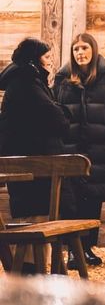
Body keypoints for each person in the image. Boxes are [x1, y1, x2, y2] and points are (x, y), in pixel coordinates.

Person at [53, 33, 105, 268]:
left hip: (99, 153)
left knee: (92, 201)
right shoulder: (63, 81)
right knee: (70, 201)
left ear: (93, 50)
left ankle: (87, 249)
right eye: (76, 49)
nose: (80, 53)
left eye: (84, 48)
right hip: (70, 152)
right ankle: (73, 253)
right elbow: (52, 114)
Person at [0, 38, 70, 220]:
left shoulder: (28, 81)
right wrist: (65, 113)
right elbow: (57, 118)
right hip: (32, 160)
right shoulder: (27, 83)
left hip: (31, 158)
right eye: (46, 56)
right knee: (36, 220)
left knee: (35, 219)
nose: (50, 60)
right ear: (34, 59)